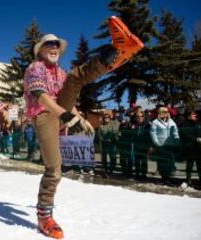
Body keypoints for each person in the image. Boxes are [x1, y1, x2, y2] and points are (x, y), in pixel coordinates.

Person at [23, 16, 143, 239]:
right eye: (49, 44)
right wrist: (66, 115)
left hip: (60, 112)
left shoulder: (60, 73)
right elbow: (42, 98)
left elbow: (69, 97)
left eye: (57, 45)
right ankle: (44, 216)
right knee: (54, 168)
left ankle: (114, 53)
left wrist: (80, 116)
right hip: (44, 115)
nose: (54, 47)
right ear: (40, 50)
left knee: (76, 77)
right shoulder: (35, 67)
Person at [150, 106, 180, 184]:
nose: (164, 114)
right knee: (162, 162)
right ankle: (164, 178)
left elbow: (175, 131)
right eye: (162, 112)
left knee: (169, 162)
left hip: (170, 145)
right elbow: (153, 133)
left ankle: (168, 177)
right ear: (159, 113)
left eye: (165, 112)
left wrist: (177, 139)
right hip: (161, 145)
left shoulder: (171, 122)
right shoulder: (155, 122)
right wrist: (156, 142)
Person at [180, 110, 201, 185]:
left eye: (195, 114)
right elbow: (186, 134)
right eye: (193, 114)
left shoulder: (199, 123)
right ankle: (188, 179)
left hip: (199, 147)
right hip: (190, 147)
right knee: (190, 164)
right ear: (188, 116)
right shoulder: (185, 124)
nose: (195, 115)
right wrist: (196, 139)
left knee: (200, 164)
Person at [132, 110, 151, 179]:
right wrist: (132, 130)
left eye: (141, 116)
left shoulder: (148, 125)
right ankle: (137, 174)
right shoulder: (135, 125)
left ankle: (143, 174)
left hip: (144, 146)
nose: (139, 118)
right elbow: (133, 136)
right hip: (137, 145)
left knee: (143, 161)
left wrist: (150, 146)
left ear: (143, 117)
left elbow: (150, 136)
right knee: (137, 160)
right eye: (138, 116)